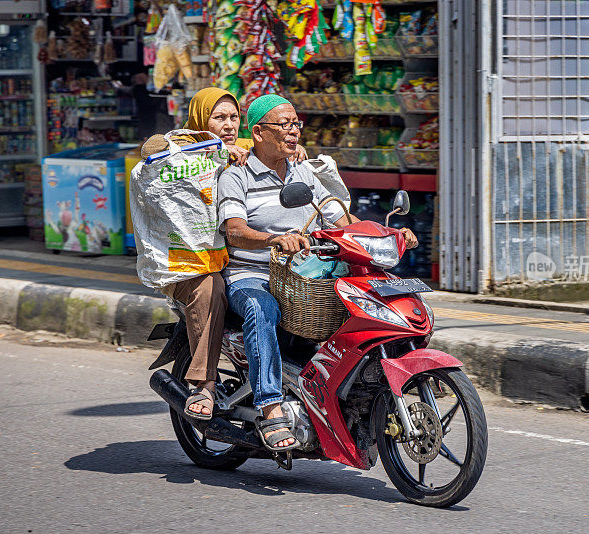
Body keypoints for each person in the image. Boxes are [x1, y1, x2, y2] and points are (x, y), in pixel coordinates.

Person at [218, 94, 418, 450]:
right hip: (253, 275)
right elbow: (234, 230)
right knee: (260, 309)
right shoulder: (237, 177)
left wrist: (387, 235)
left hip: (305, 275)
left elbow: (341, 219)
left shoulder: (302, 172)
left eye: (297, 124)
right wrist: (274, 240)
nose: (293, 132)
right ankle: (269, 406)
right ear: (259, 132)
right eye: (284, 125)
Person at [140, 87, 308, 420]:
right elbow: (151, 149)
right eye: (219, 118)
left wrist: (294, 146)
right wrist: (212, 149)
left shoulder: (246, 148)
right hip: (191, 263)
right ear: (202, 118)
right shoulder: (186, 144)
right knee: (211, 288)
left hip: (232, 257)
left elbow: (273, 145)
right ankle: (204, 384)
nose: (229, 125)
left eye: (233, 117)